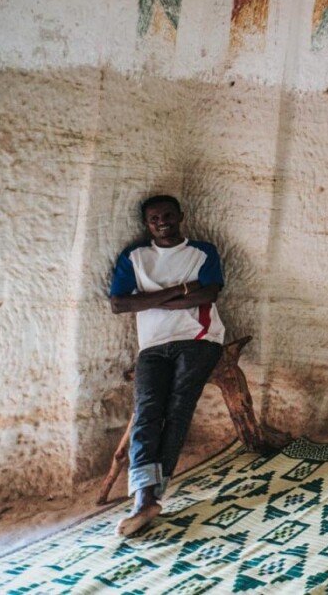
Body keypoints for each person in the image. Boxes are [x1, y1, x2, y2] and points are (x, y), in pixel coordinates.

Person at [108, 194, 226, 537]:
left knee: (177, 408)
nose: (162, 222)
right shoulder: (135, 257)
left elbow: (208, 295)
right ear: (147, 224)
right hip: (153, 347)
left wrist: (147, 300)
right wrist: (178, 291)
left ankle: (150, 497)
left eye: (168, 215)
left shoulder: (203, 251)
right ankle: (144, 499)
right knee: (147, 411)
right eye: (154, 218)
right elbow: (118, 304)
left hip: (199, 340)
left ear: (180, 216)